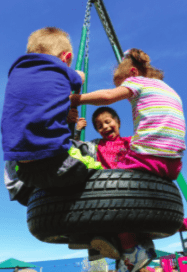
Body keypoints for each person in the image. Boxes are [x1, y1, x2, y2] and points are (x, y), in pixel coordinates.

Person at [70, 48, 186, 270]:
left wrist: (76, 99)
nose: (121, 91)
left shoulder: (139, 83)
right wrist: (77, 131)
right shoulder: (168, 88)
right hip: (173, 159)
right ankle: (144, 244)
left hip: (146, 156)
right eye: (99, 126)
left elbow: (107, 97)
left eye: (121, 85)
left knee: (116, 200)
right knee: (138, 200)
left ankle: (131, 252)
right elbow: (80, 150)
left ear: (133, 72)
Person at [1, 26, 103, 192]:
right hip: (58, 163)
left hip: (23, 171)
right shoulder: (60, 68)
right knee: (96, 164)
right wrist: (77, 74)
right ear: (66, 57)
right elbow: (80, 79)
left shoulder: (16, 72)